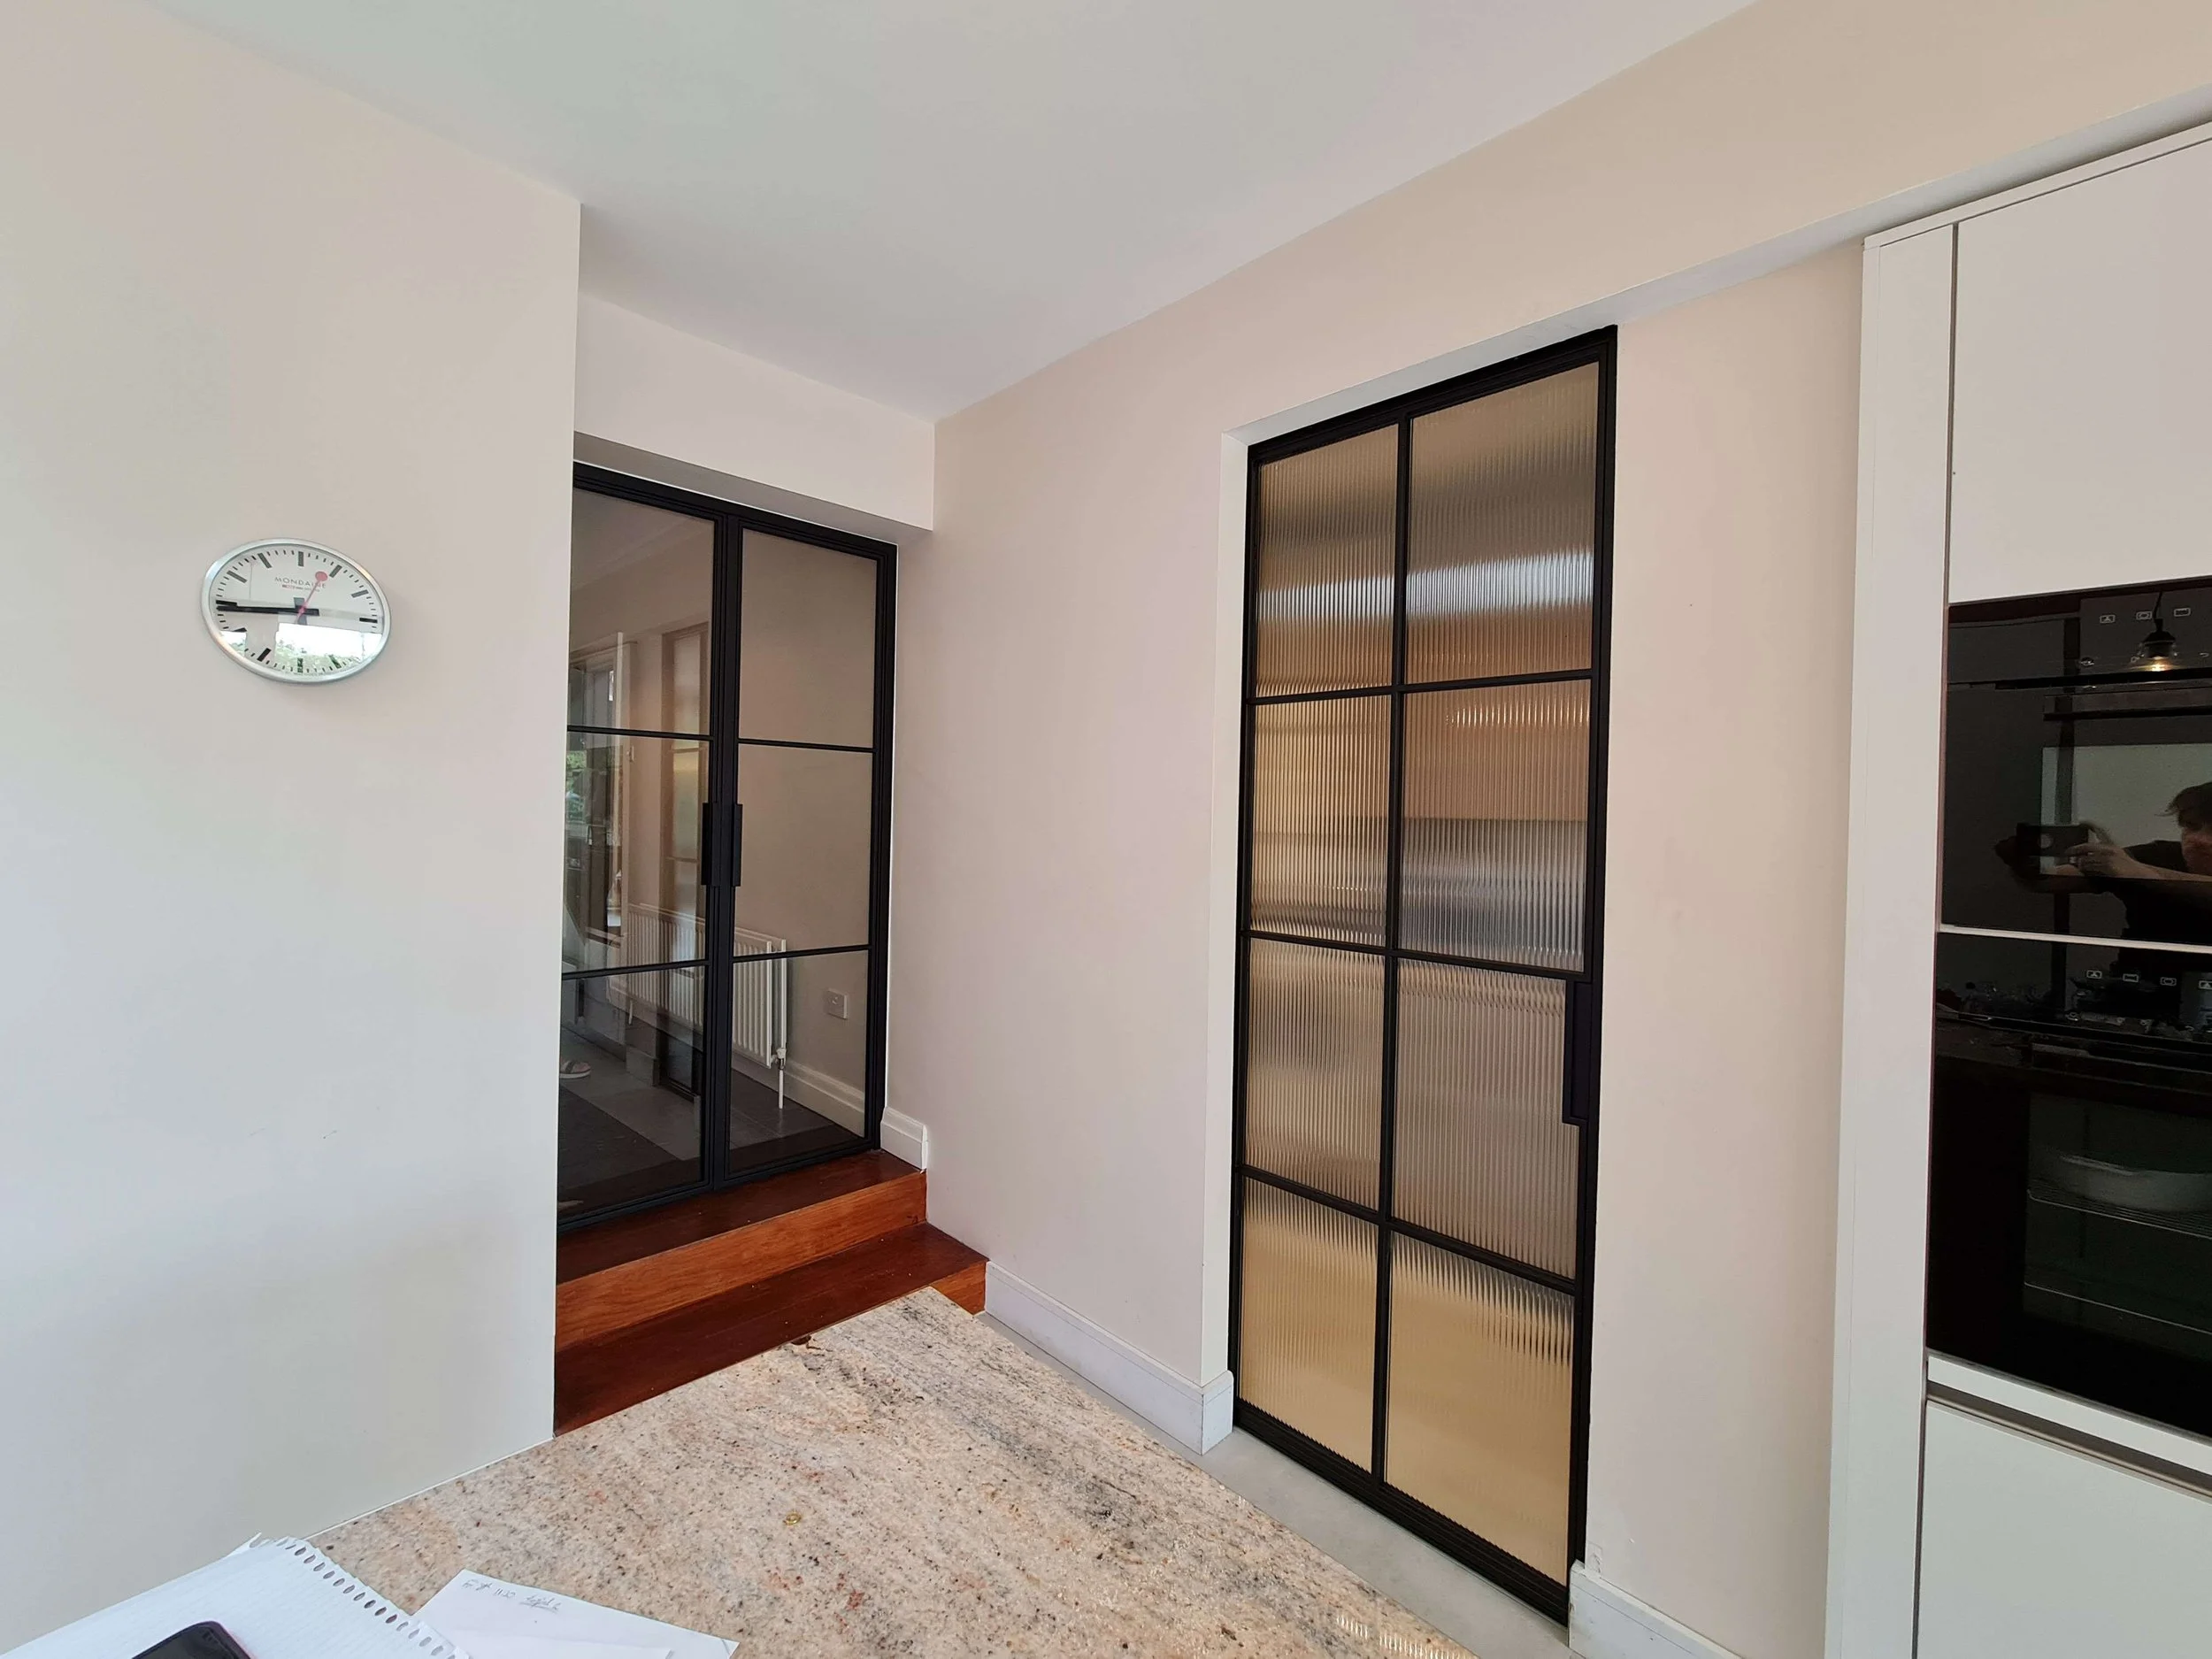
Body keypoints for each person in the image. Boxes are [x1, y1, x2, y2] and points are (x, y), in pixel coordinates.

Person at [2005, 781, 2212, 945]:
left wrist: (2141, 874)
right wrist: (2023, 863)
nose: (2199, 840)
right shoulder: (2156, 855)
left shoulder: (2139, 865)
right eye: (2191, 827)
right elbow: (2043, 882)